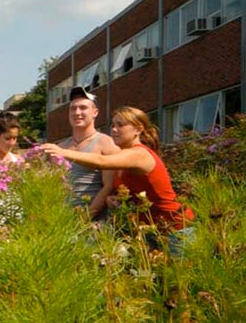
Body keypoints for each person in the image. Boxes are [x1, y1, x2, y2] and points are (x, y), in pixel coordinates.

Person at [41, 106, 195, 255]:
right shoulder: (123, 155)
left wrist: (63, 152)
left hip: (175, 229)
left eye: (120, 125)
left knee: (177, 280)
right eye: (113, 125)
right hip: (148, 230)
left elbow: (101, 161)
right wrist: (113, 198)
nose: (114, 129)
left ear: (138, 129)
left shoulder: (140, 154)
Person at [59, 86, 120, 220]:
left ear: (95, 112)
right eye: (73, 108)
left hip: (92, 224)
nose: (77, 112)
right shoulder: (61, 147)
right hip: (60, 222)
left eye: (83, 108)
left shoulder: (106, 143)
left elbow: (109, 187)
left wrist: (85, 219)